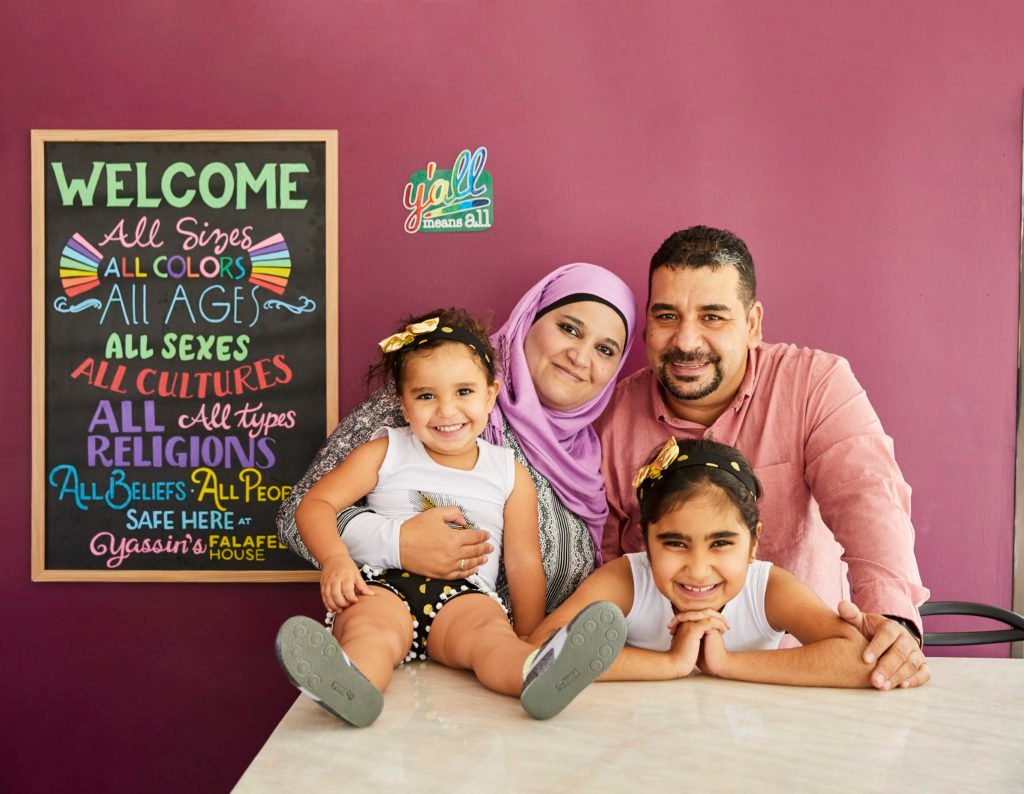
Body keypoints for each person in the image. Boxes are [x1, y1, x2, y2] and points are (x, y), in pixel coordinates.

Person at [597, 226, 931, 691]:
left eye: (713, 317)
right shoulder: (609, 415)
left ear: (753, 323)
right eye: (668, 315)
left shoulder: (815, 383)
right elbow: (603, 564)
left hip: (804, 675)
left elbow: (868, 497)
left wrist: (893, 621)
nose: (686, 341)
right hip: (654, 681)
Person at [275, 308, 627, 725]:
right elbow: (313, 505)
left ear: (490, 395)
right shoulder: (384, 450)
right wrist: (336, 559)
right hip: (382, 587)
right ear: (403, 405)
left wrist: (527, 633)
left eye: (464, 392)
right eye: (426, 396)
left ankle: (535, 671)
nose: (446, 410)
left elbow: (523, 560)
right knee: (370, 633)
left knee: (490, 641)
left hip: (466, 596)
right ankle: (352, 686)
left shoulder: (507, 470)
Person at [277, 263, 637, 613]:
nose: (580, 356)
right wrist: (397, 542)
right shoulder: (438, 394)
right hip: (399, 638)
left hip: (507, 655)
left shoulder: (588, 457)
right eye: (570, 329)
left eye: (605, 349)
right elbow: (297, 517)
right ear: (531, 317)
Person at [530, 437, 903, 689]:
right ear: (646, 540)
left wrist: (724, 663)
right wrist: (672, 664)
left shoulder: (768, 589)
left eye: (721, 543)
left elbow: (858, 657)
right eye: (675, 543)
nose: (698, 569)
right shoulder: (627, 580)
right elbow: (540, 650)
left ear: (753, 542)